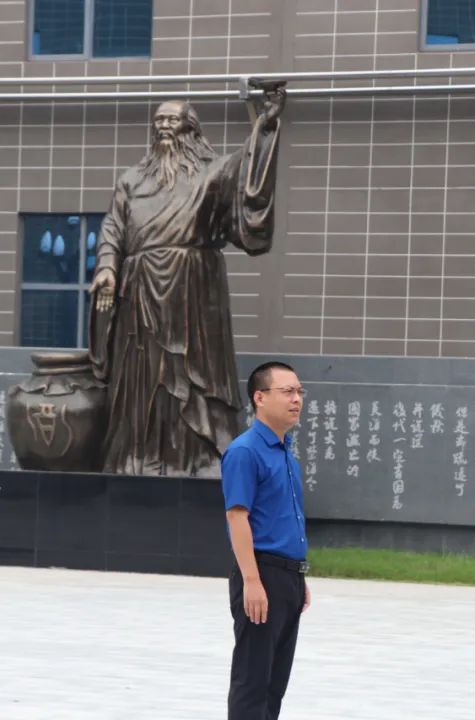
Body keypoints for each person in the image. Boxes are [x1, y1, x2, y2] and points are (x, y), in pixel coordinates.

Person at [88, 88, 286, 477]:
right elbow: (113, 227)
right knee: (143, 377)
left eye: (172, 120)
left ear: (190, 128)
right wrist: (108, 267)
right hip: (140, 291)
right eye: (159, 121)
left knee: (194, 374)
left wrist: (266, 125)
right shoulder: (131, 179)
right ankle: (137, 459)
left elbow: (249, 176)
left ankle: (200, 458)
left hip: (193, 289)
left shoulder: (214, 171)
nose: (164, 127)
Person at [221, 361, 310, 720]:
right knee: (253, 680)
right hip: (262, 575)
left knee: (275, 684)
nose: (297, 399)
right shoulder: (245, 451)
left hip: (288, 577)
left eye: (299, 391)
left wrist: (298, 576)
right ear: (259, 398)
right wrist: (252, 581)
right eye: (287, 391)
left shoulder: (286, 454)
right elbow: (236, 516)